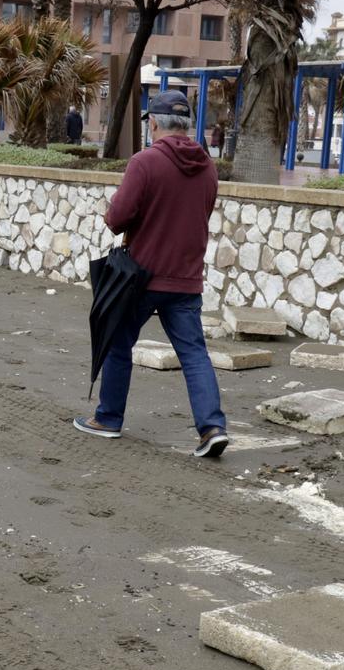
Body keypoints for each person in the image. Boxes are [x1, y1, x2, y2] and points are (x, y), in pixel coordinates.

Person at [74, 90, 228, 459]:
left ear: (154, 123)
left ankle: (108, 418)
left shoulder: (145, 162)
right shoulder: (208, 167)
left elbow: (117, 220)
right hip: (186, 277)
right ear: (187, 125)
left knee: (117, 342)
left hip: (140, 278)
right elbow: (201, 215)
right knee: (194, 354)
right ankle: (212, 428)